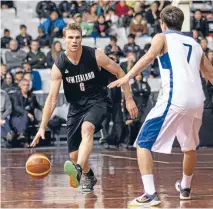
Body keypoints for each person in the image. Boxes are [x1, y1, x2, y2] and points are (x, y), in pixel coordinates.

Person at [108, 6, 213, 207]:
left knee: (142, 143)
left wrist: (127, 76)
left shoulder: (161, 37)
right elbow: (210, 74)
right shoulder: (194, 43)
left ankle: (150, 194)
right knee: (189, 147)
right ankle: (185, 187)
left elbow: (149, 57)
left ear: (162, 23)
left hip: (175, 97)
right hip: (197, 100)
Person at [30, 23, 138, 193]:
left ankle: (78, 170)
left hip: (98, 100)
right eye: (70, 38)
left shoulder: (95, 55)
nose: (74, 41)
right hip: (76, 106)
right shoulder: (60, 64)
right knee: (74, 155)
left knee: (87, 128)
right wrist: (42, 126)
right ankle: (88, 175)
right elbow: (51, 99)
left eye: (77, 37)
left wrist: (129, 99)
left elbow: (119, 71)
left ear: (81, 38)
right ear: (64, 40)